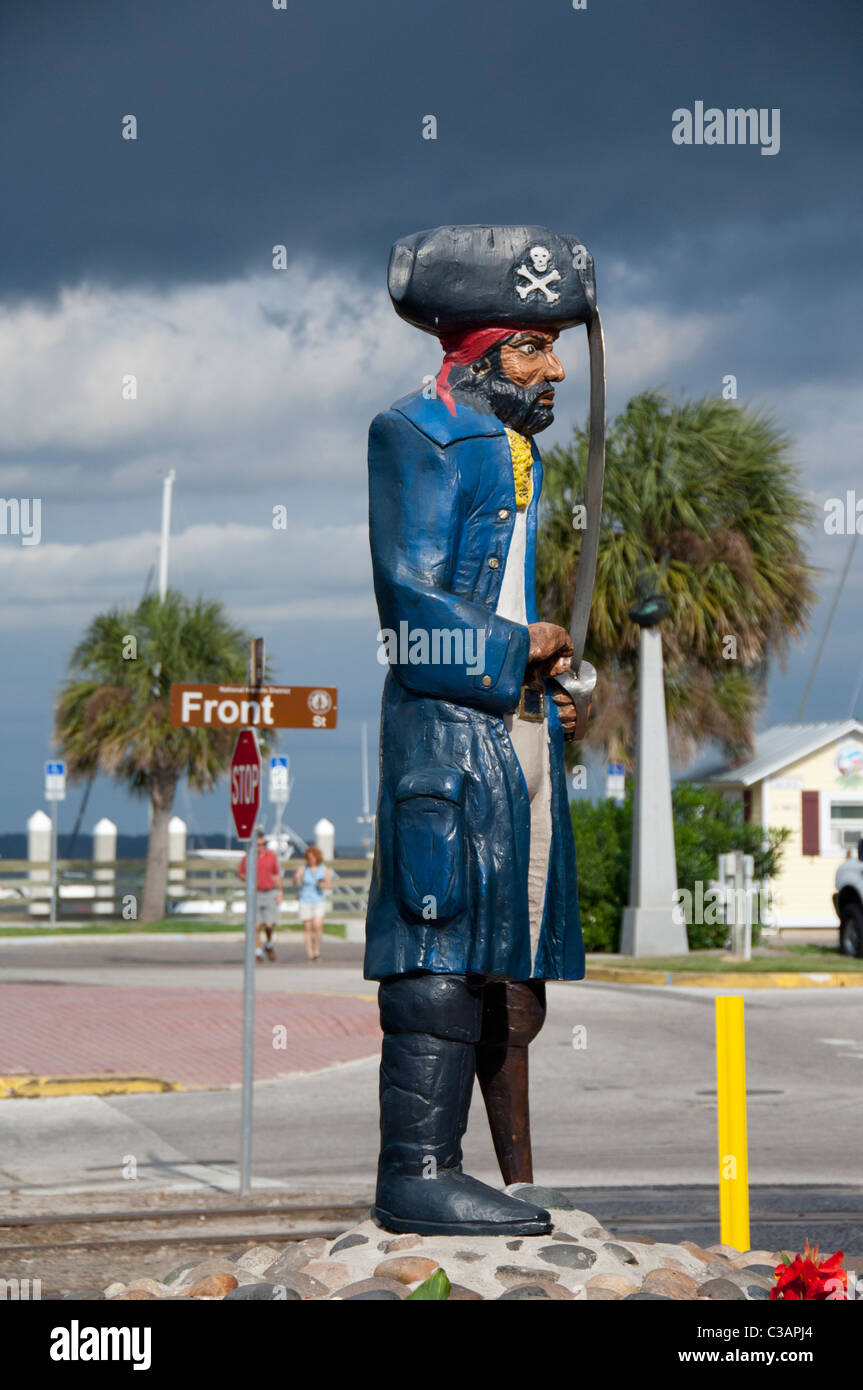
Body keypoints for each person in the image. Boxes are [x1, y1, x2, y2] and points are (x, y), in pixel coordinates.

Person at [365, 224, 604, 1235]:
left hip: (511, 730)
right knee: (438, 941)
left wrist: (546, 674)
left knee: (505, 955)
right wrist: (516, 644)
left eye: (555, 344)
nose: (555, 368)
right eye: (533, 345)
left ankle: (487, 1173)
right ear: (478, 350)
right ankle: (416, 1169)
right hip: (447, 739)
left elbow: (497, 589)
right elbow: (410, 607)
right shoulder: (414, 434)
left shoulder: (515, 454)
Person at [237, 827, 282, 962]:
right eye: (258, 845)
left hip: (270, 891)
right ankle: (257, 951)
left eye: (263, 844)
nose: (261, 847)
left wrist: (280, 892)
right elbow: (241, 873)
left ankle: (268, 944)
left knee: (269, 924)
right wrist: (247, 878)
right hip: (255, 893)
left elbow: (276, 875)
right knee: (256, 925)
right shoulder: (248, 857)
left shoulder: (271, 857)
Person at [294, 846, 331, 961]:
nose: (311, 860)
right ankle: (310, 953)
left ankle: (317, 951)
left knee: (318, 925)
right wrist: (296, 877)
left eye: (313, 858)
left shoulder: (323, 868)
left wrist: (322, 884)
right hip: (305, 900)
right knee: (307, 927)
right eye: (309, 858)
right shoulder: (303, 868)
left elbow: (329, 884)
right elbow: (296, 881)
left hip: (318, 900)